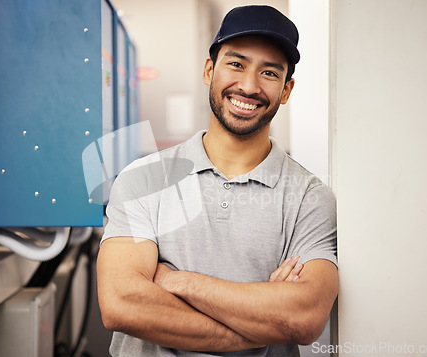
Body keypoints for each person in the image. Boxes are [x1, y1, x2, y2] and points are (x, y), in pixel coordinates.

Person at [97, 5, 338, 357]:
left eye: (269, 73)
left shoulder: (310, 197)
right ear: (210, 70)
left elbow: (302, 317)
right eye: (236, 64)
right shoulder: (144, 178)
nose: (249, 85)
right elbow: (122, 303)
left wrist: (172, 280)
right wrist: (260, 324)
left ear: (286, 90)